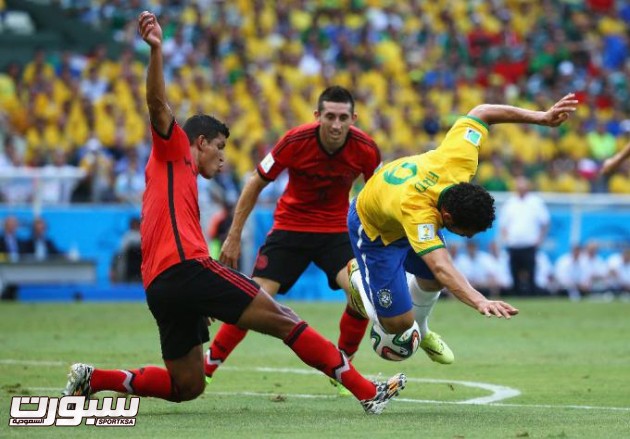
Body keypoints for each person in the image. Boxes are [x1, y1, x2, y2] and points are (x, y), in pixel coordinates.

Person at [62, 11, 406, 416]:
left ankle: (92, 379)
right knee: (282, 318)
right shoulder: (173, 151)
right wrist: (155, 51)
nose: (223, 158)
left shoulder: (177, 177)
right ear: (201, 141)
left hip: (160, 285)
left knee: (186, 385)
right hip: (187, 267)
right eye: (220, 148)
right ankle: (367, 391)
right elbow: (157, 103)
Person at [203, 85, 395, 393]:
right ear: (317, 116)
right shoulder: (295, 141)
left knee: (359, 292)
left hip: (335, 231)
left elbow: (380, 195)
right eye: (329, 116)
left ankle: (343, 366)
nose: (336, 124)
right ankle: (208, 365)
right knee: (255, 298)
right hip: (290, 229)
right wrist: (234, 234)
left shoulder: (367, 149)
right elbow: (256, 182)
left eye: (343, 117)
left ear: (353, 119)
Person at [346, 94, 578, 343]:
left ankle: (422, 333)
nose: (466, 237)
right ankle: (359, 278)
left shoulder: (461, 160)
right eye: (464, 232)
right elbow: (441, 265)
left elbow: (483, 111)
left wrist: (542, 117)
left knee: (434, 281)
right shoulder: (419, 211)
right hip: (375, 229)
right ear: (445, 216)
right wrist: (479, 299)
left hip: (397, 207)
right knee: (397, 325)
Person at [499, 175, 550, 295]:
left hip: (530, 243)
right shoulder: (510, 203)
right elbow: (503, 224)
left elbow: (545, 222)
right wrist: (507, 239)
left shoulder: (536, 202)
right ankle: (516, 294)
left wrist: (540, 239)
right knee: (514, 272)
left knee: (531, 271)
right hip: (514, 244)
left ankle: (532, 294)